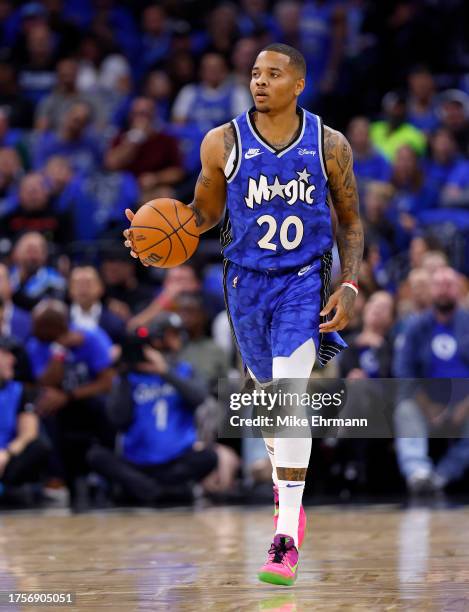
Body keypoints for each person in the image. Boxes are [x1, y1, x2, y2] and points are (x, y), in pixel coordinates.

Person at [124, 43, 363, 586]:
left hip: (303, 281)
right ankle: (288, 488)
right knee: (268, 405)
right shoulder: (222, 142)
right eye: (255, 73)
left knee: (289, 392)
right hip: (245, 286)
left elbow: (350, 221)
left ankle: (284, 536)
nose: (260, 82)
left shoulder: (329, 144)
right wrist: (150, 238)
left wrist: (347, 283)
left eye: (273, 74)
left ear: (297, 84)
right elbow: (202, 215)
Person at [87, 312, 220, 505]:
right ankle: (163, 492)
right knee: (96, 456)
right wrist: (123, 372)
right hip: (137, 462)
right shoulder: (128, 378)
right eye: (170, 335)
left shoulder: (184, 370)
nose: (176, 340)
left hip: (177, 460)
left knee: (209, 457)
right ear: (155, 341)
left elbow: (199, 397)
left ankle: (146, 491)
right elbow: (118, 420)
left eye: (177, 334)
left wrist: (164, 372)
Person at [393, 267, 469, 494]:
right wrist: (429, 407)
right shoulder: (415, 326)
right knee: (405, 409)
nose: (444, 290)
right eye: (439, 285)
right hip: (425, 402)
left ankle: (443, 475)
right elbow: (404, 371)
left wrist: (463, 408)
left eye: (450, 284)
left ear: (459, 289)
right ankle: (418, 473)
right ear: (431, 290)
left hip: (464, 405)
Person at [0, 337, 50, 502]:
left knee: (40, 446)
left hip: (6, 457)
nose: (13, 359)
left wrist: (6, 453)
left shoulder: (19, 390)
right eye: (6, 354)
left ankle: (7, 488)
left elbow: (29, 433)